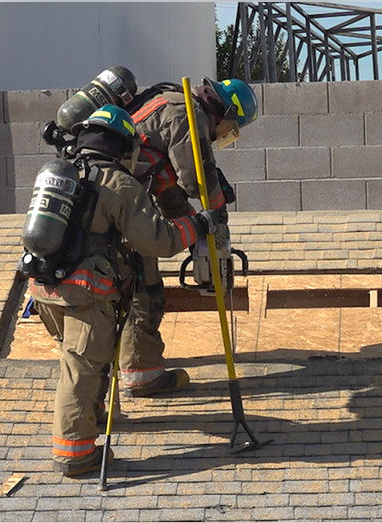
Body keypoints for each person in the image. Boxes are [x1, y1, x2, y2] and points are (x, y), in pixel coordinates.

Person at [27, 104, 219, 477]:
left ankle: (94, 416)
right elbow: (158, 240)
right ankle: (75, 454)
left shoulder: (61, 172)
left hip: (44, 288)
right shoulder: (118, 182)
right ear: (124, 145)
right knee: (80, 369)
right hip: (87, 290)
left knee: (84, 358)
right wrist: (198, 223)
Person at [107, 77, 258, 397]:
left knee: (119, 293)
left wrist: (197, 229)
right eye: (230, 127)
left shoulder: (169, 101)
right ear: (226, 111)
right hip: (119, 208)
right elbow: (196, 179)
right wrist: (217, 222)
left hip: (110, 202)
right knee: (141, 291)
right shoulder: (188, 116)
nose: (222, 135)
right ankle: (140, 373)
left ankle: (111, 379)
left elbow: (166, 184)